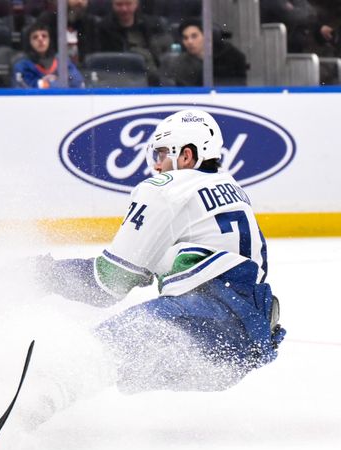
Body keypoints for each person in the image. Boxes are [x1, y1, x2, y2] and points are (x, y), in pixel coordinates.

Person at [35, 109, 285, 393]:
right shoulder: (230, 186)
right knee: (117, 364)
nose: (158, 165)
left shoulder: (168, 188)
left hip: (205, 321)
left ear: (187, 156)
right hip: (243, 345)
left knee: (94, 353)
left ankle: (26, 404)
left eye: (163, 154)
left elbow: (108, 282)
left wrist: (42, 273)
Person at [93, 0, 171, 85]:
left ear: (136, 4)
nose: (124, 9)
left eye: (128, 4)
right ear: (112, 5)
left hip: (151, 74)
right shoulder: (102, 27)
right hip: (116, 76)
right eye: (119, 5)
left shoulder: (152, 25)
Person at [171, 20, 247, 87]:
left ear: (207, 37)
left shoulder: (232, 57)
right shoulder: (181, 63)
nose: (189, 42)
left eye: (194, 36)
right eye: (185, 38)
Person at [13, 21, 85, 88]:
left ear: (50, 40)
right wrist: (57, 82)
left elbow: (77, 81)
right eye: (35, 37)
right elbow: (25, 88)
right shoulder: (22, 66)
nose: (40, 39)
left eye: (44, 36)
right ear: (29, 42)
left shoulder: (62, 61)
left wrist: (48, 84)